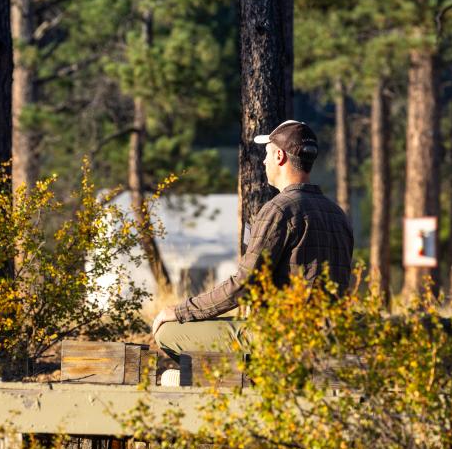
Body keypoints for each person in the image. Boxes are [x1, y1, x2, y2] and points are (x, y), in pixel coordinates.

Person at [150, 119, 353, 359]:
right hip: (328, 337)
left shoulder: (279, 210)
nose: (264, 161)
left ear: (280, 156)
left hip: (280, 339)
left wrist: (179, 311)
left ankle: (242, 388)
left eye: (266, 154)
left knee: (168, 332)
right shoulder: (337, 214)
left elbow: (242, 286)